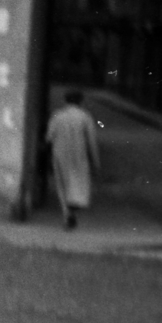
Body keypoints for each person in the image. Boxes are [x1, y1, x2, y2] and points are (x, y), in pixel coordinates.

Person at [44, 90, 101, 230]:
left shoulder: (57, 116)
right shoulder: (85, 117)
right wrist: (95, 161)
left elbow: (49, 138)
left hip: (60, 154)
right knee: (77, 182)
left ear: (65, 100)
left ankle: (66, 213)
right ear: (80, 102)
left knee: (62, 184)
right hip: (79, 154)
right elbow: (91, 141)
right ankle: (73, 209)